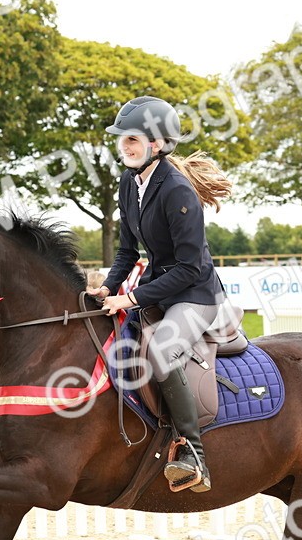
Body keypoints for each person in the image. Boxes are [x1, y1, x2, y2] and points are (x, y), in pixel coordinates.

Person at [88, 96, 233, 493]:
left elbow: (190, 269)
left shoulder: (177, 191)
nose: (125, 146)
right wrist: (109, 288)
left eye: (132, 139)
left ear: (157, 143)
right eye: (122, 140)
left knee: (162, 350)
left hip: (196, 295)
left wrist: (133, 299)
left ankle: (194, 453)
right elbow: (126, 252)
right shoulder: (128, 182)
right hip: (157, 290)